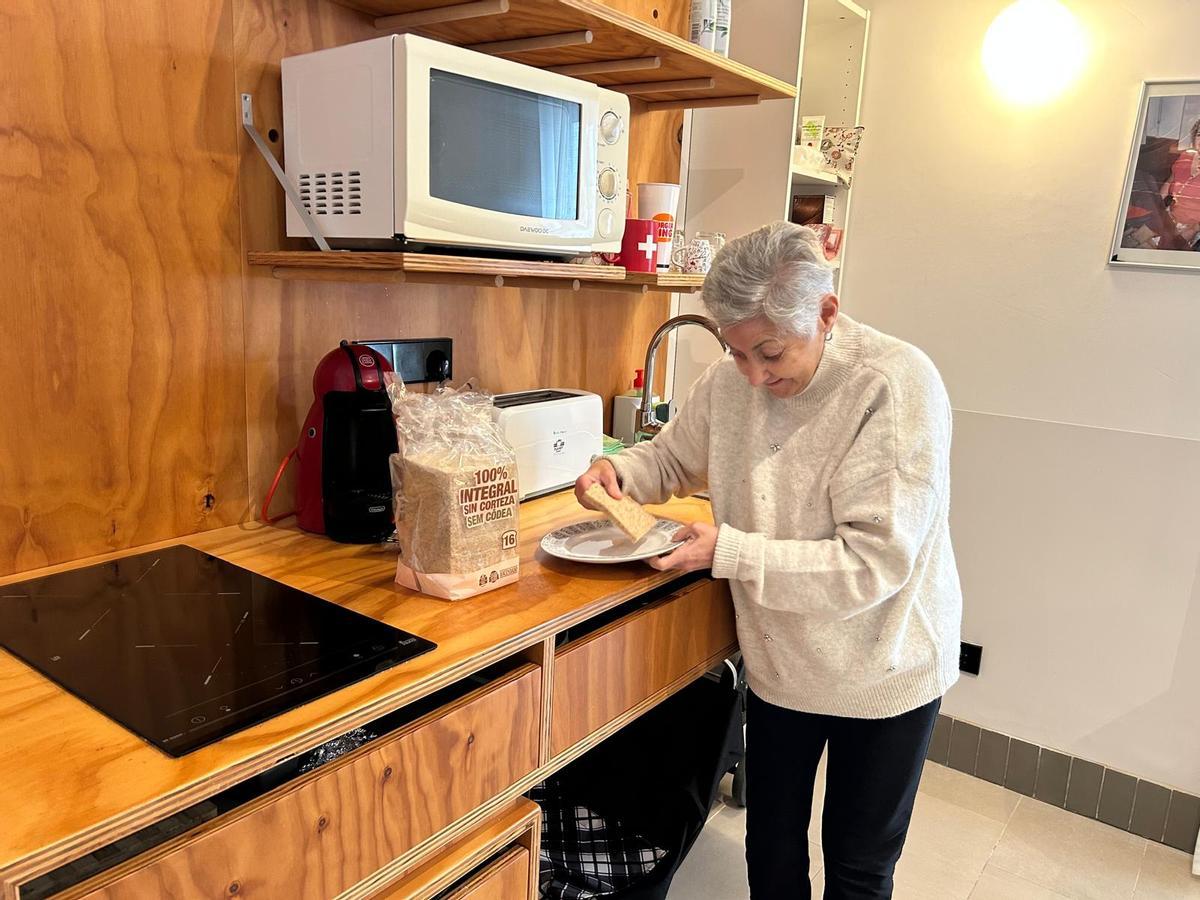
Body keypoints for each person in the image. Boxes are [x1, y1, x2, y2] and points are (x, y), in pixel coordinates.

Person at [574, 222, 963, 900]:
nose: (754, 375)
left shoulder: (893, 386)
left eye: (771, 352)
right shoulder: (733, 380)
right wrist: (618, 473)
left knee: (857, 864)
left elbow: (870, 566)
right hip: (784, 659)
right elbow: (670, 458)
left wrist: (728, 551)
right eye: (738, 350)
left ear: (827, 313)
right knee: (772, 849)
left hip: (886, 661)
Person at [1167, 119, 1200, 248]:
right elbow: (1170, 183)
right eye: (1199, 135)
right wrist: (1157, 212)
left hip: (1193, 229)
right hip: (1171, 218)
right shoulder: (1186, 156)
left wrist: (1194, 229)